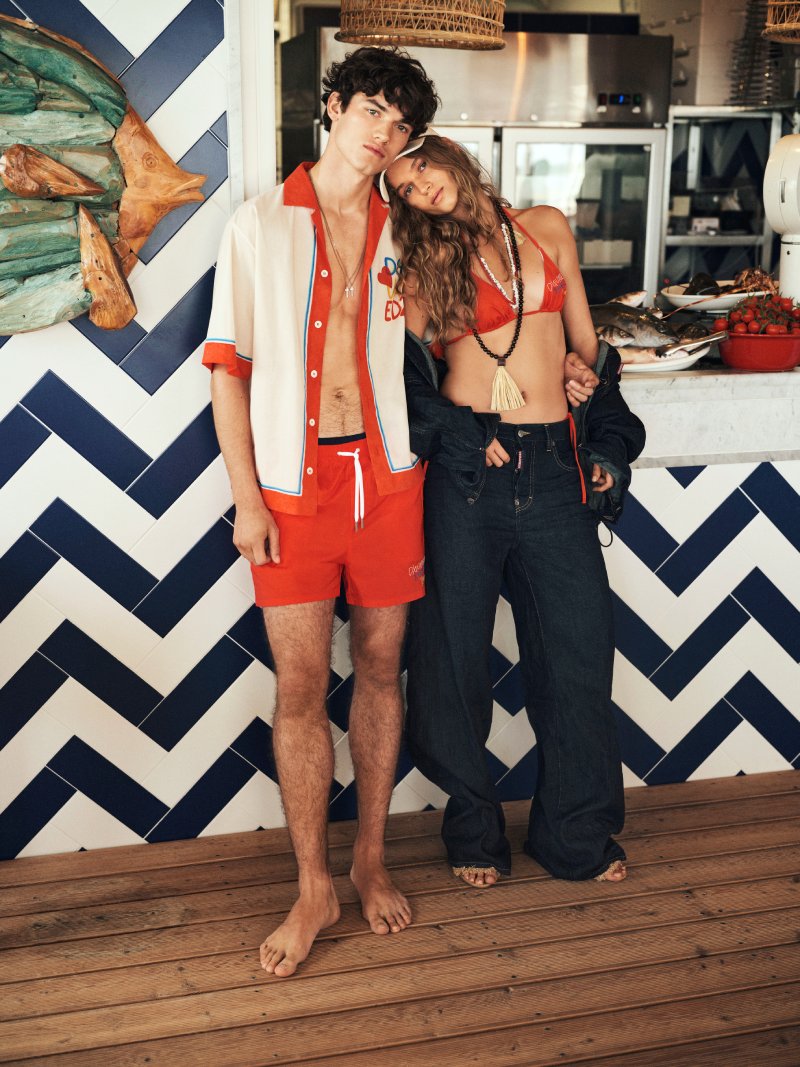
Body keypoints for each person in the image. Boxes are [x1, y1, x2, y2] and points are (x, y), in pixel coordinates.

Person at [202, 48, 438, 978]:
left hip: (387, 484)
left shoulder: (406, 228)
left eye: (401, 124)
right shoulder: (258, 225)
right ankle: (313, 886)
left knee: (381, 672)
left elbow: (454, 328)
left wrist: (571, 363)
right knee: (300, 688)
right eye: (373, 110)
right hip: (292, 495)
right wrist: (247, 500)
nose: (385, 133)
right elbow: (229, 371)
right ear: (334, 106)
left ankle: (369, 859)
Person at [381, 135, 645, 888]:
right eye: (403, 188)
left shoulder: (547, 226)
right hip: (471, 476)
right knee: (452, 662)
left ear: (449, 156)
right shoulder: (421, 265)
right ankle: (473, 829)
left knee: (577, 657)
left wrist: (582, 375)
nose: (419, 188)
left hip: (556, 469)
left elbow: (589, 348)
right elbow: (401, 378)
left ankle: (574, 835)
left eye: (421, 166)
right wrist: (462, 434)